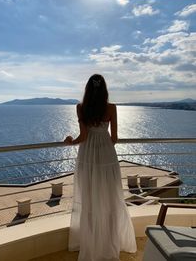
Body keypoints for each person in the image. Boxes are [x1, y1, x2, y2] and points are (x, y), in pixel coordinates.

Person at [64, 74, 137, 261]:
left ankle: (91, 245)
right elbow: (115, 138)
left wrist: (71, 141)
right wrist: (104, 145)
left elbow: (83, 136)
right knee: (110, 198)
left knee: (89, 199)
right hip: (106, 155)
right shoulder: (111, 107)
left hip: (87, 155)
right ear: (104, 88)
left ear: (88, 88)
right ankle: (109, 245)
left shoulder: (81, 108)